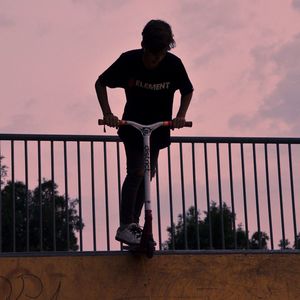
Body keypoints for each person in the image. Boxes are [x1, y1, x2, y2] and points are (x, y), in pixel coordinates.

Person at [95, 19, 193, 245]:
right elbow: (100, 83)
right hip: (132, 127)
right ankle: (125, 225)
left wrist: (180, 116)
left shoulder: (173, 64)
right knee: (137, 171)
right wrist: (108, 113)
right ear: (143, 46)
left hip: (157, 129)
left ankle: (134, 226)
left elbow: (187, 90)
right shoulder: (129, 60)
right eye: (152, 56)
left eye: (160, 57)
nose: (155, 61)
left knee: (148, 175)